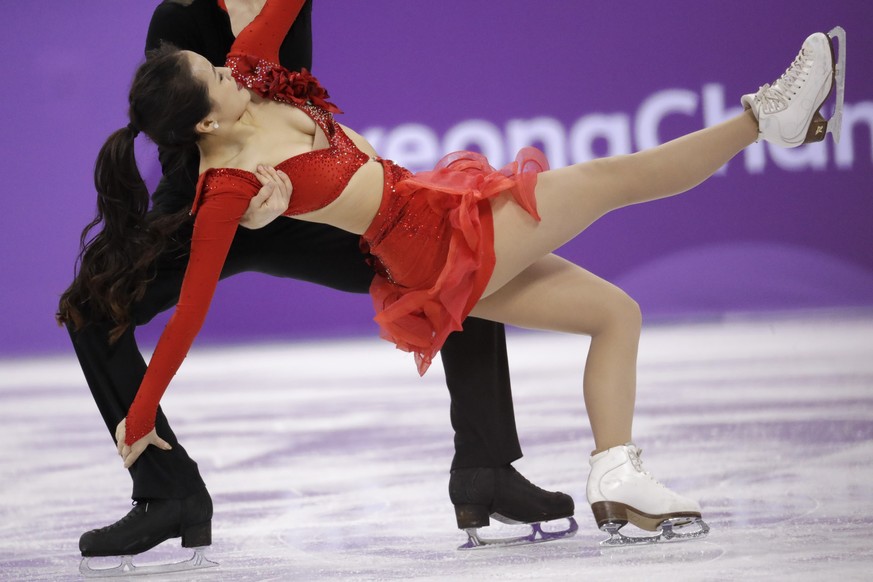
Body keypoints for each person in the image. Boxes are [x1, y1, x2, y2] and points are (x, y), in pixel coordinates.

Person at [62, 0, 845, 554]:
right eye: (216, 73)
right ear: (206, 121)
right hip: (436, 242)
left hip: (436, 222)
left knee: (615, 314)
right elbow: (191, 309)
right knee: (615, 177)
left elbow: (272, 15)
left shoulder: (251, 73)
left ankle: (618, 477)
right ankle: (768, 118)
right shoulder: (229, 189)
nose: (230, 68)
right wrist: (139, 418)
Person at [59, 0, 576, 564]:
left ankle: (486, 469)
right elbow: (182, 131)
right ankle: (168, 492)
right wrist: (243, 196)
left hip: (300, 204)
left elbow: (291, 94)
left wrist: (282, 184)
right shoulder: (178, 19)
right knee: (92, 306)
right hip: (210, 204)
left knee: (452, 255)